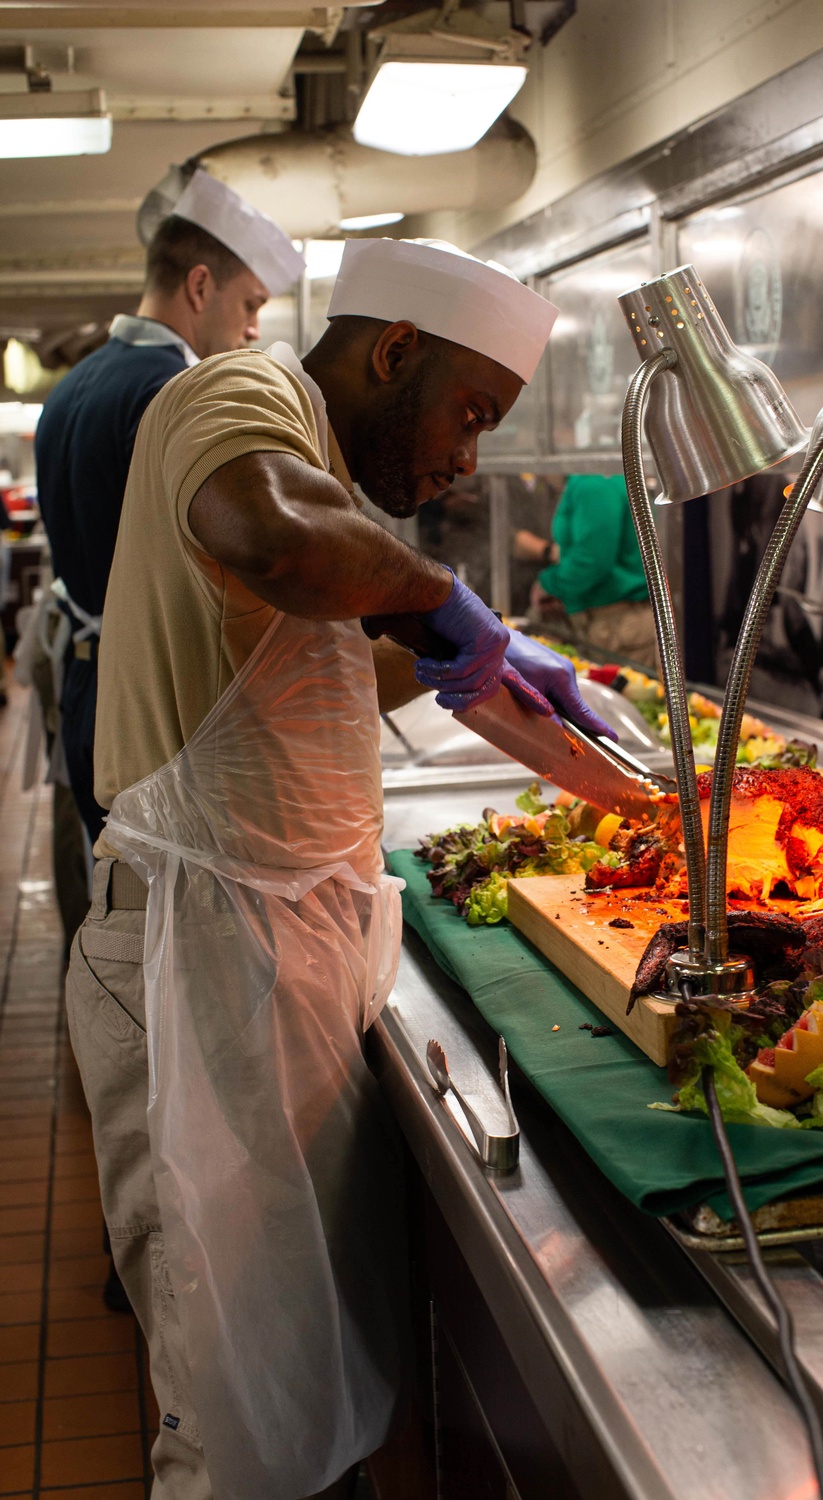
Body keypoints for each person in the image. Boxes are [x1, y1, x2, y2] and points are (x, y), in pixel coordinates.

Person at [65, 236, 610, 1500]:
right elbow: (261, 532)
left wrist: (475, 669)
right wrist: (443, 609)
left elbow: (297, 668)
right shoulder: (238, 397)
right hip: (187, 968)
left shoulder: (315, 471)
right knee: (230, 1419)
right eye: (468, 411)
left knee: (297, 1391)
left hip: (274, 963)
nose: (468, 456)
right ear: (394, 352)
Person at [35, 167, 305, 847]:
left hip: (84, 679)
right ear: (200, 285)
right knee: (167, 915)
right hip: (146, 703)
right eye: (249, 304)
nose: (251, 330)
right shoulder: (175, 395)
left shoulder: (72, 386)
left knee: (118, 890)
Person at [516, 473, 658, 668]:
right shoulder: (591, 480)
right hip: (616, 624)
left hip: (617, 628)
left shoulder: (593, 482)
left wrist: (549, 584)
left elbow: (592, 561)